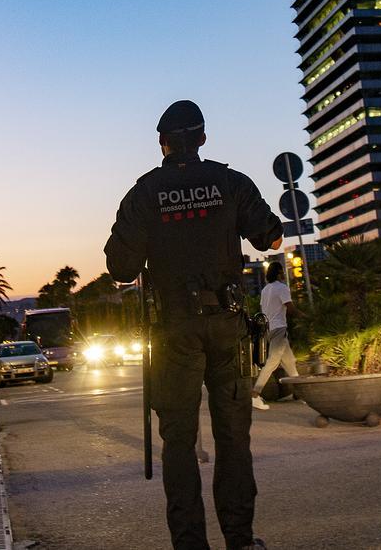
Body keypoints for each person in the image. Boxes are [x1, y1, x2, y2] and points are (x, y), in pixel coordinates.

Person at [104, 99, 283, 550]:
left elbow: (120, 267)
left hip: (173, 330)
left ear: (163, 144)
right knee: (233, 438)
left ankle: (189, 544)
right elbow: (271, 235)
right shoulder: (230, 181)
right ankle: (240, 540)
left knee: (179, 442)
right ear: (202, 139)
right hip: (227, 325)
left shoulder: (145, 192)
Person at [250, 260, 299, 411]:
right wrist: (307, 316)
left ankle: (300, 394)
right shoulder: (282, 288)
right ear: (279, 273)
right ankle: (255, 394)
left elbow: (263, 310)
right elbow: (290, 308)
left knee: (289, 362)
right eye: (282, 271)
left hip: (269, 329)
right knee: (272, 362)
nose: (284, 273)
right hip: (279, 328)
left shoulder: (265, 290)